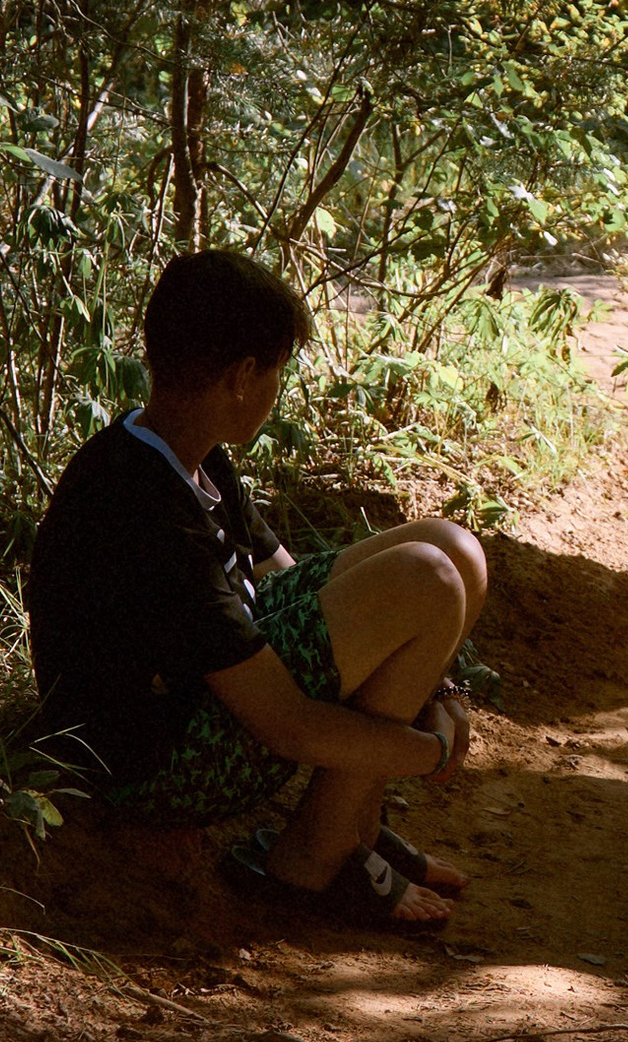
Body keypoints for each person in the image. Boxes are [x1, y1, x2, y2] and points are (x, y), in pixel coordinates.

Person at [29, 249, 487, 928]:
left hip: (214, 693)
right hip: (155, 763)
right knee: (426, 577)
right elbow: (285, 724)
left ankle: (352, 828)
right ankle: (314, 855)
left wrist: (437, 687)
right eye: (277, 371)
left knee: (454, 549)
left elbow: (289, 580)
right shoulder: (143, 508)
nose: (278, 389)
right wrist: (434, 753)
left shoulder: (182, 446)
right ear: (244, 375)